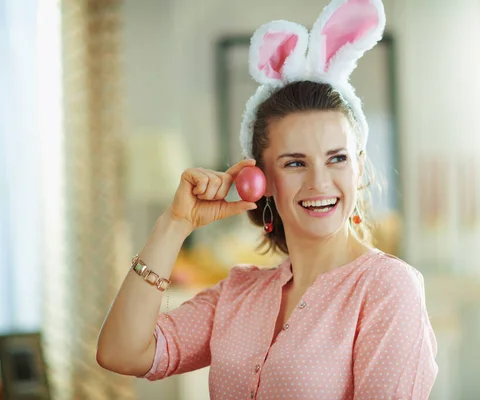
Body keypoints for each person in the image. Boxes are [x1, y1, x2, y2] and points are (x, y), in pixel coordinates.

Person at [96, 0, 438, 398]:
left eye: (337, 159)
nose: (319, 181)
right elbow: (122, 353)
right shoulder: (239, 293)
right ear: (261, 179)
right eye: (295, 163)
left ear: (358, 168)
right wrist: (175, 224)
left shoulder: (387, 288)